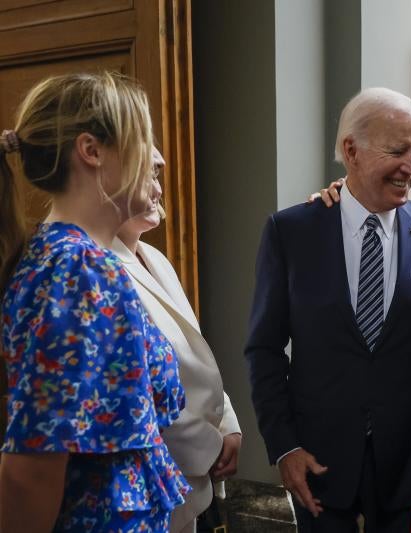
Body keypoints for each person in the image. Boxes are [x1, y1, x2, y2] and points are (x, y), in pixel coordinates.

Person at [245, 87, 411, 533]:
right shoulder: (291, 233)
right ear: (351, 151)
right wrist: (283, 446)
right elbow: (264, 349)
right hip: (318, 466)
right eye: (398, 150)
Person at [0, 72, 189, 532]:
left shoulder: (72, 260)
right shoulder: (77, 271)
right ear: (91, 151)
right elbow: (32, 473)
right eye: (144, 140)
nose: (158, 159)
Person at [111, 148, 242, 533]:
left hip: (191, 478)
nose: (159, 187)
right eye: (147, 175)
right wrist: (211, 448)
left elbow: (192, 355)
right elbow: (142, 392)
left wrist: (229, 423)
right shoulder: (97, 269)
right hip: (153, 482)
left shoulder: (155, 257)